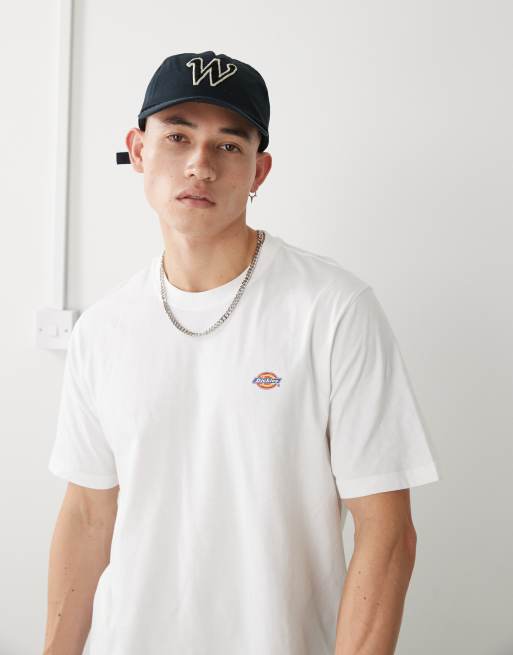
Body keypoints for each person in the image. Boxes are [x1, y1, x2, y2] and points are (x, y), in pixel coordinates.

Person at [44, 50, 441, 655]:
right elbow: (87, 517)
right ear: (139, 149)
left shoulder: (333, 310)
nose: (200, 165)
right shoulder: (103, 328)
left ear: (259, 170)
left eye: (229, 145)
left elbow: (387, 536)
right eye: (178, 137)